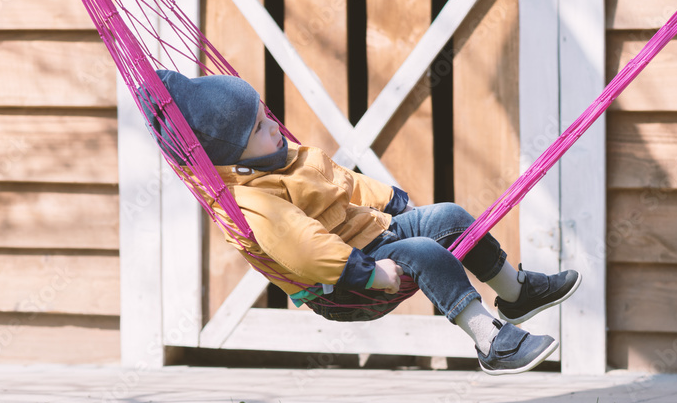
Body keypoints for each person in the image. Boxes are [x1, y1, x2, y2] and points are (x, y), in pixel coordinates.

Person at [148, 71, 581, 375]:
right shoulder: (252, 199)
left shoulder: (287, 157)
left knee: (450, 216)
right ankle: (491, 341)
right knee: (427, 254)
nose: (275, 127)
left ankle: (516, 293)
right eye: (260, 128)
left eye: (266, 114)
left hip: (375, 234)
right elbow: (304, 247)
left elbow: (343, 181)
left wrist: (395, 203)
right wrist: (369, 273)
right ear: (233, 156)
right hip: (346, 282)